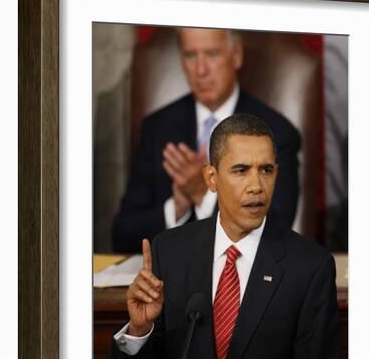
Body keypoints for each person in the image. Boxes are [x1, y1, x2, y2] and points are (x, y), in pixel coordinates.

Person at [109, 114, 340, 359]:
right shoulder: (170, 252)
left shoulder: (310, 267)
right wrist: (139, 330)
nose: (256, 186)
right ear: (211, 178)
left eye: (266, 170)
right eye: (241, 170)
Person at [112, 28, 301, 253]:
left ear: (236, 55)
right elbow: (122, 234)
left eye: (212, 54)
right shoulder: (158, 127)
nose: (201, 70)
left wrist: (205, 194)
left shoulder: (276, 132)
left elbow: (276, 229)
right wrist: (178, 206)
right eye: (191, 56)